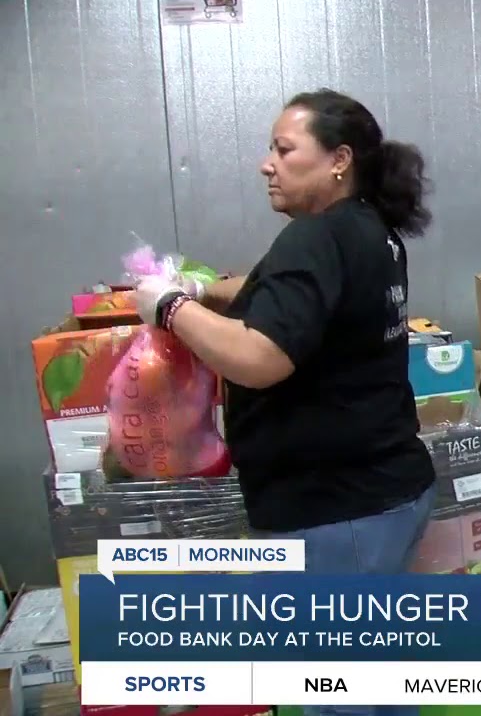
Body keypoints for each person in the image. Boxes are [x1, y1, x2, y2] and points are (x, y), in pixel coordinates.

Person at [134, 88, 437, 716]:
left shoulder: (316, 238)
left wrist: (170, 306)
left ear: (338, 160)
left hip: (337, 510)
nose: (265, 163)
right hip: (381, 492)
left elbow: (259, 357)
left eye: (282, 148)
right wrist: (209, 288)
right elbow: (288, 288)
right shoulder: (368, 230)